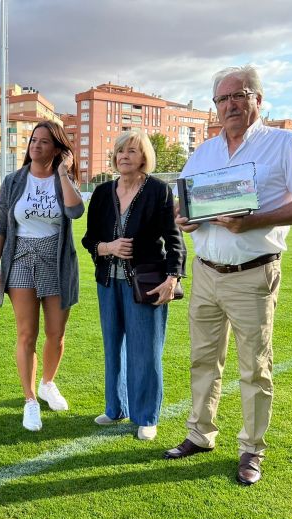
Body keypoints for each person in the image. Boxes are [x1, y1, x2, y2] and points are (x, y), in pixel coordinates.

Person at [163, 65, 292, 485]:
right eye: (223, 98)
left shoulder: (284, 143)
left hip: (253, 274)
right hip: (207, 272)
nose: (231, 104)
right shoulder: (204, 153)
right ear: (215, 106)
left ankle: (252, 449)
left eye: (240, 95)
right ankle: (200, 434)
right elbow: (186, 206)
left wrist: (256, 221)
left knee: (254, 367)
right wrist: (186, 219)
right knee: (203, 360)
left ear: (258, 99)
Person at [81, 131, 185, 441]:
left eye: (132, 151)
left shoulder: (158, 191)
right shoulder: (101, 193)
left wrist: (173, 277)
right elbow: (89, 240)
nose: (124, 156)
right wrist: (108, 248)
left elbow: (174, 238)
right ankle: (115, 408)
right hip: (107, 282)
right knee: (112, 347)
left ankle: (146, 416)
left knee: (146, 352)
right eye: (120, 151)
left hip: (146, 284)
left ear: (144, 158)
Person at [0, 120, 84, 431]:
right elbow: (1, 225)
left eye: (44, 141)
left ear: (57, 148)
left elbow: (75, 212)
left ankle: (47, 383)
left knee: (56, 333)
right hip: (19, 259)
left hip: (56, 259)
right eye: (33, 140)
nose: (36, 145)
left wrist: (63, 174)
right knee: (26, 334)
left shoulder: (62, 180)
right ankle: (30, 400)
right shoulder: (14, 181)